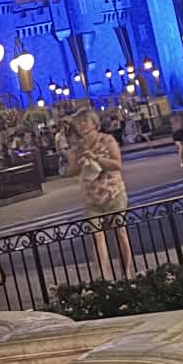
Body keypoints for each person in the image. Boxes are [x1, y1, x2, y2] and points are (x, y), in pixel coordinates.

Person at [66, 103, 134, 280]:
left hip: (113, 192)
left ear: (94, 123)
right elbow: (71, 171)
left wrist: (97, 158)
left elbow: (117, 164)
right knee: (96, 236)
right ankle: (104, 277)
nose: (81, 126)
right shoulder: (77, 147)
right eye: (78, 123)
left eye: (85, 122)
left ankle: (126, 273)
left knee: (119, 231)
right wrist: (76, 160)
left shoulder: (107, 140)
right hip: (92, 196)